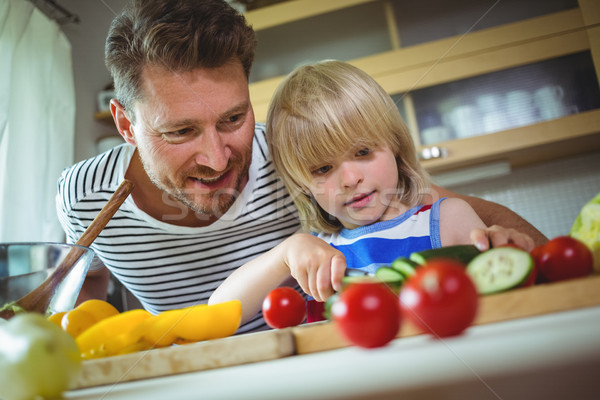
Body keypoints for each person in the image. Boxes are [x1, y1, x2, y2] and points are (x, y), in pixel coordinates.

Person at [57, 0, 545, 333]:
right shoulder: (83, 200)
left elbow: (444, 211)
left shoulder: (303, 157)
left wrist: (539, 261)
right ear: (125, 124)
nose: (217, 156)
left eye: (233, 118)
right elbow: (87, 291)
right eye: (180, 132)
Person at [209, 60, 518, 324]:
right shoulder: (319, 255)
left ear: (394, 143)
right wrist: (284, 255)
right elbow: (220, 309)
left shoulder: (448, 218)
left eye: (363, 152)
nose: (350, 178)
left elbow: (505, 298)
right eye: (322, 169)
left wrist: (510, 250)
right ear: (303, 184)